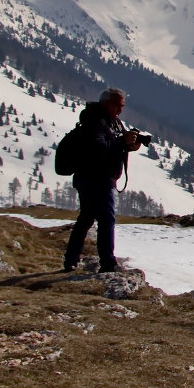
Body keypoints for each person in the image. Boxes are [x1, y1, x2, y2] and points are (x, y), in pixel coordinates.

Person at [62, 87, 142, 272]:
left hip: (98, 177)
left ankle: (71, 259)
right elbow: (98, 148)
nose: (120, 110)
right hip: (95, 177)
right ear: (106, 103)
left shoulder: (112, 122)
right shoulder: (94, 122)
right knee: (106, 219)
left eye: (122, 106)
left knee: (86, 219)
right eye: (117, 106)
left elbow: (115, 145)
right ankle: (107, 263)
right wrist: (123, 142)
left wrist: (131, 144)